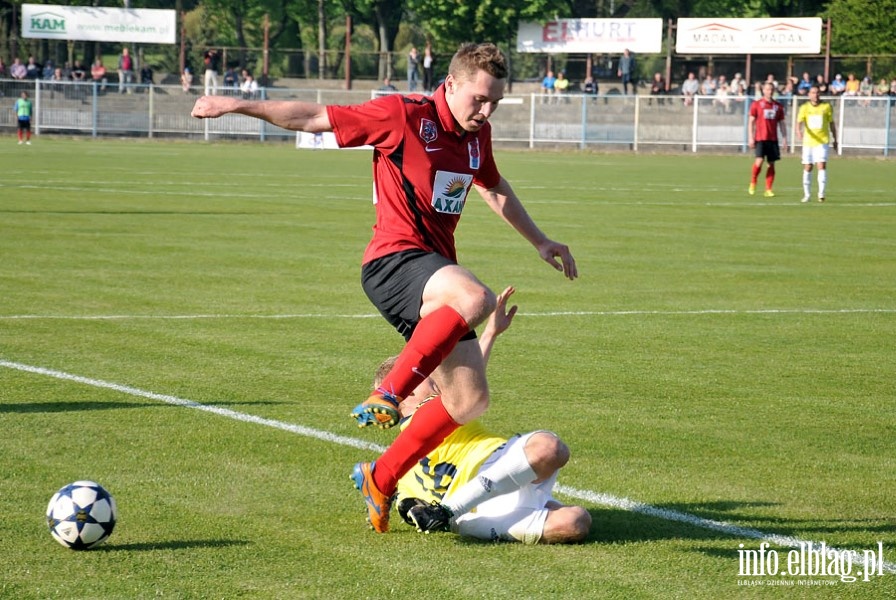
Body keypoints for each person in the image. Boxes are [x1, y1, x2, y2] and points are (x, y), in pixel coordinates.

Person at [190, 43, 577, 534]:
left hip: (435, 275)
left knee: (469, 401)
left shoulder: (479, 138)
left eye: (495, 102)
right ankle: (390, 394)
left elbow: (493, 186)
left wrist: (540, 241)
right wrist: (236, 105)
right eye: (479, 99)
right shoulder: (404, 115)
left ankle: (382, 475)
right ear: (451, 84)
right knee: (475, 298)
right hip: (393, 262)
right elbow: (314, 117)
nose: (487, 110)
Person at [382, 287, 591, 544]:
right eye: (420, 374)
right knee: (576, 522)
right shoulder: (421, 422)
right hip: (482, 509)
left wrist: (490, 333)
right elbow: (407, 503)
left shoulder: (408, 447)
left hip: (501, 464)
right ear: (406, 391)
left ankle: (451, 513)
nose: (430, 374)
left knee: (550, 449)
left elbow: (467, 383)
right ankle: (458, 516)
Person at [796, 85, 837, 203]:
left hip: (822, 141)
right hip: (808, 142)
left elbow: (831, 124)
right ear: (809, 95)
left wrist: (835, 139)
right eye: (813, 92)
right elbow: (799, 122)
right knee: (808, 167)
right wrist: (798, 131)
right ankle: (807, 195)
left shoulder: (826, 107)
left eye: (817, 92)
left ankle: (821, 194)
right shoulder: (804, 107)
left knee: (821, 165)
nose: (815, 95)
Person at [747, 81, 787, 197]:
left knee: (771, 164)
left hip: (773, 139)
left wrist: (785, 138)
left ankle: (768, 189)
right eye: (767, 89)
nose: (769, 91)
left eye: (771, 89)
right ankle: (753, 181)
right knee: (759, 162)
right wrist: (750, 137)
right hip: (760, 138)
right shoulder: (757, 104)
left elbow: (782, 123)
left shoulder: (778, 106)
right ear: (763, 90)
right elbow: (751, 122)